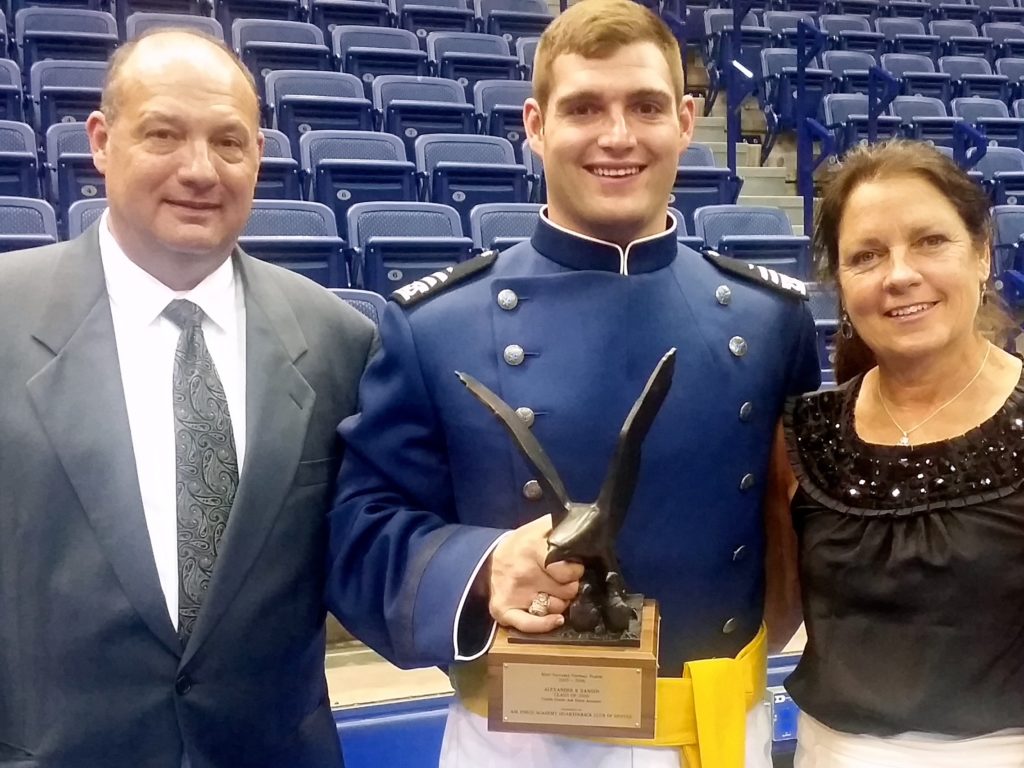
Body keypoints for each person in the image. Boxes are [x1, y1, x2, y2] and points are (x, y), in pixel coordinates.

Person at [326, 1, 820, 766]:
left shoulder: (770, 321)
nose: (617, 136)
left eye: (646, 107)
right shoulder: (435, 323)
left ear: (686, 122)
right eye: (584, 107)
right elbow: (359, 532)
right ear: (535, 123)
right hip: (522, 740)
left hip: (718, 734)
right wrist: (482, 566)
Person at [0, 30, 376, 768]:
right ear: (102, 142)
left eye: (228, 143)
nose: (199, 170)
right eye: (164, 135)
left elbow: (373, 552)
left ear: (259, 155)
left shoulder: (339, 342)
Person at [784, 140, 1024, 767]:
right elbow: (771, 607)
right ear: (840, 283)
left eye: (930, 241)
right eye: (867, 255)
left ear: (982, 253)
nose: (899, 275)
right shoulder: (806, 434)